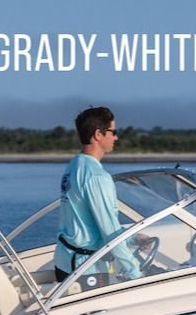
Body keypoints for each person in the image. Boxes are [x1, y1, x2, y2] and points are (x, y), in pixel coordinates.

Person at [54, 106, 140, 282]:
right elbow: (108, 230)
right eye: (113, 132)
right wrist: (134, 272)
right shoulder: (97, 176)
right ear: (98, 134)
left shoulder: (74, 165)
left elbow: (88, 220)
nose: (116, 137)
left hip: (64, 260)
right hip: (84, 269)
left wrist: (133, 238)